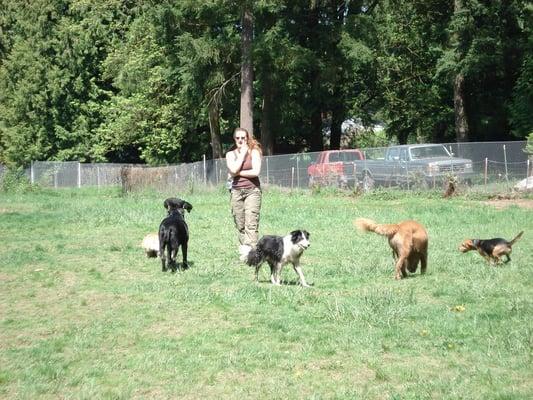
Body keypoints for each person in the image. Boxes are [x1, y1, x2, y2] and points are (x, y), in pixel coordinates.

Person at [225, 127, 262, 257]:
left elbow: (256, 172)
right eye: (238, 138)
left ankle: (251, 253)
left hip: (252, 191)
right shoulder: (230, 154)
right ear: (234, 139)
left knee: (251, 223)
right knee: (240, 224)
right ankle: (245, 251)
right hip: (236, 192)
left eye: (243, 138)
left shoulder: (254, 152)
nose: (241, 140)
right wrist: (241, 154)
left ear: (247, 138)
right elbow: (233, 168)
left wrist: (237, 173)